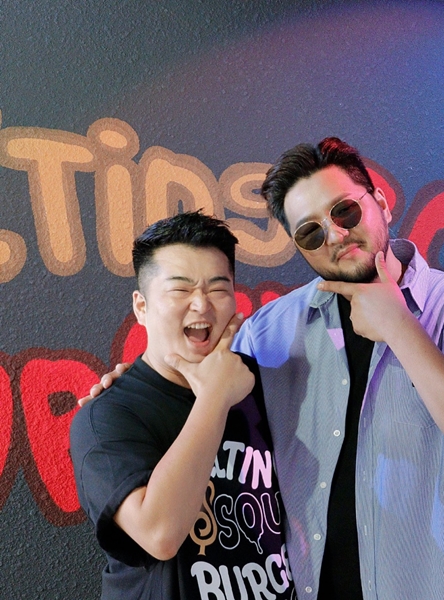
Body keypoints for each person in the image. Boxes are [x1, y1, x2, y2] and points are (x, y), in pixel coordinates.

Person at [87, 138, 444, 600]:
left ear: (380, 203)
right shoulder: (269, 333)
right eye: (311, 232)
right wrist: (129, 385)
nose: (335, 235)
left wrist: (400, 326)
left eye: (345, 212)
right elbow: (201, 393)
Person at [70, 211, 296, 600]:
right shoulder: (106, 415)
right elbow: (159, 534)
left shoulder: (265, 387)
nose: (201, 305)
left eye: (218, 288)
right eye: (180, 289)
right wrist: (214, 396)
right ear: (141, 307)